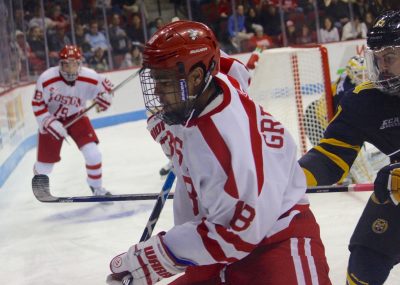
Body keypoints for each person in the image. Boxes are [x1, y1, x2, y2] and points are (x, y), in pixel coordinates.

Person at [107, 20, 332, 285]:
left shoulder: (225, 145)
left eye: (164, 81)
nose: (156, 91)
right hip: (214, 246)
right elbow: (230, 65)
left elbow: (234, 235)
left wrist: (153, 258)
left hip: (274, 243)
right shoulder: (215, 83)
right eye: (155, 80)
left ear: (196, 77)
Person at [299, 10, 400, 284]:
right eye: (378, 59)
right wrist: (288, 178)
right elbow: (330, 156)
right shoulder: (367, 100)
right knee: (364, 265)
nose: (382, 67)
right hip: (395, 200)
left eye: (389, 57)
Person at [32, 45, 113, 196]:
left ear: (80, 63)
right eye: (66, 64)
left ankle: (96, 187)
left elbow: (106, 90)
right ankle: (39, 183)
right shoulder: (46, 79)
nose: (70, 69)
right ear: (60, 64)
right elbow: (37, 104)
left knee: (93, 154)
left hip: (77, 116)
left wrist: (105, 99)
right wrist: (49, 122)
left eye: (74, 64)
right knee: (44, 166)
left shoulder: (90, 76)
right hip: (52, 118)